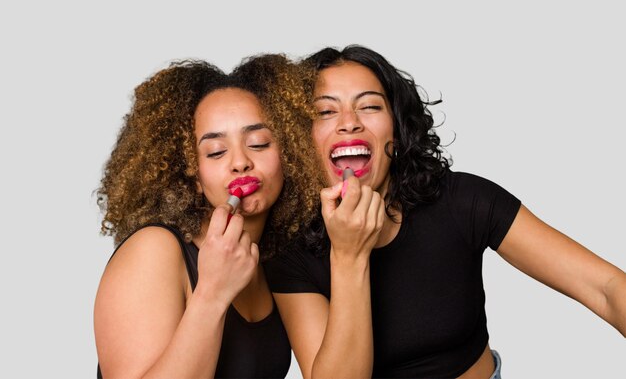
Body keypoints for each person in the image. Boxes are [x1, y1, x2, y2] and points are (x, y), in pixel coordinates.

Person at [264, 45, 626, 379]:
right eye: (325, 111)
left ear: (397, 130)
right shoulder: (288, 250)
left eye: (370, 106)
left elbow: (605, 288)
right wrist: (348, 255)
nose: (349, 122)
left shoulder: (461, 199)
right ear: (301, 138)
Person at [94, 54, 324, 379]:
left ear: (290, 153)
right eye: (216, 151)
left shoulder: (274, 262)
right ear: (191, 173)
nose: (240, 161)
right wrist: (212, 292)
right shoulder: (154, 250)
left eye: (259, 143)